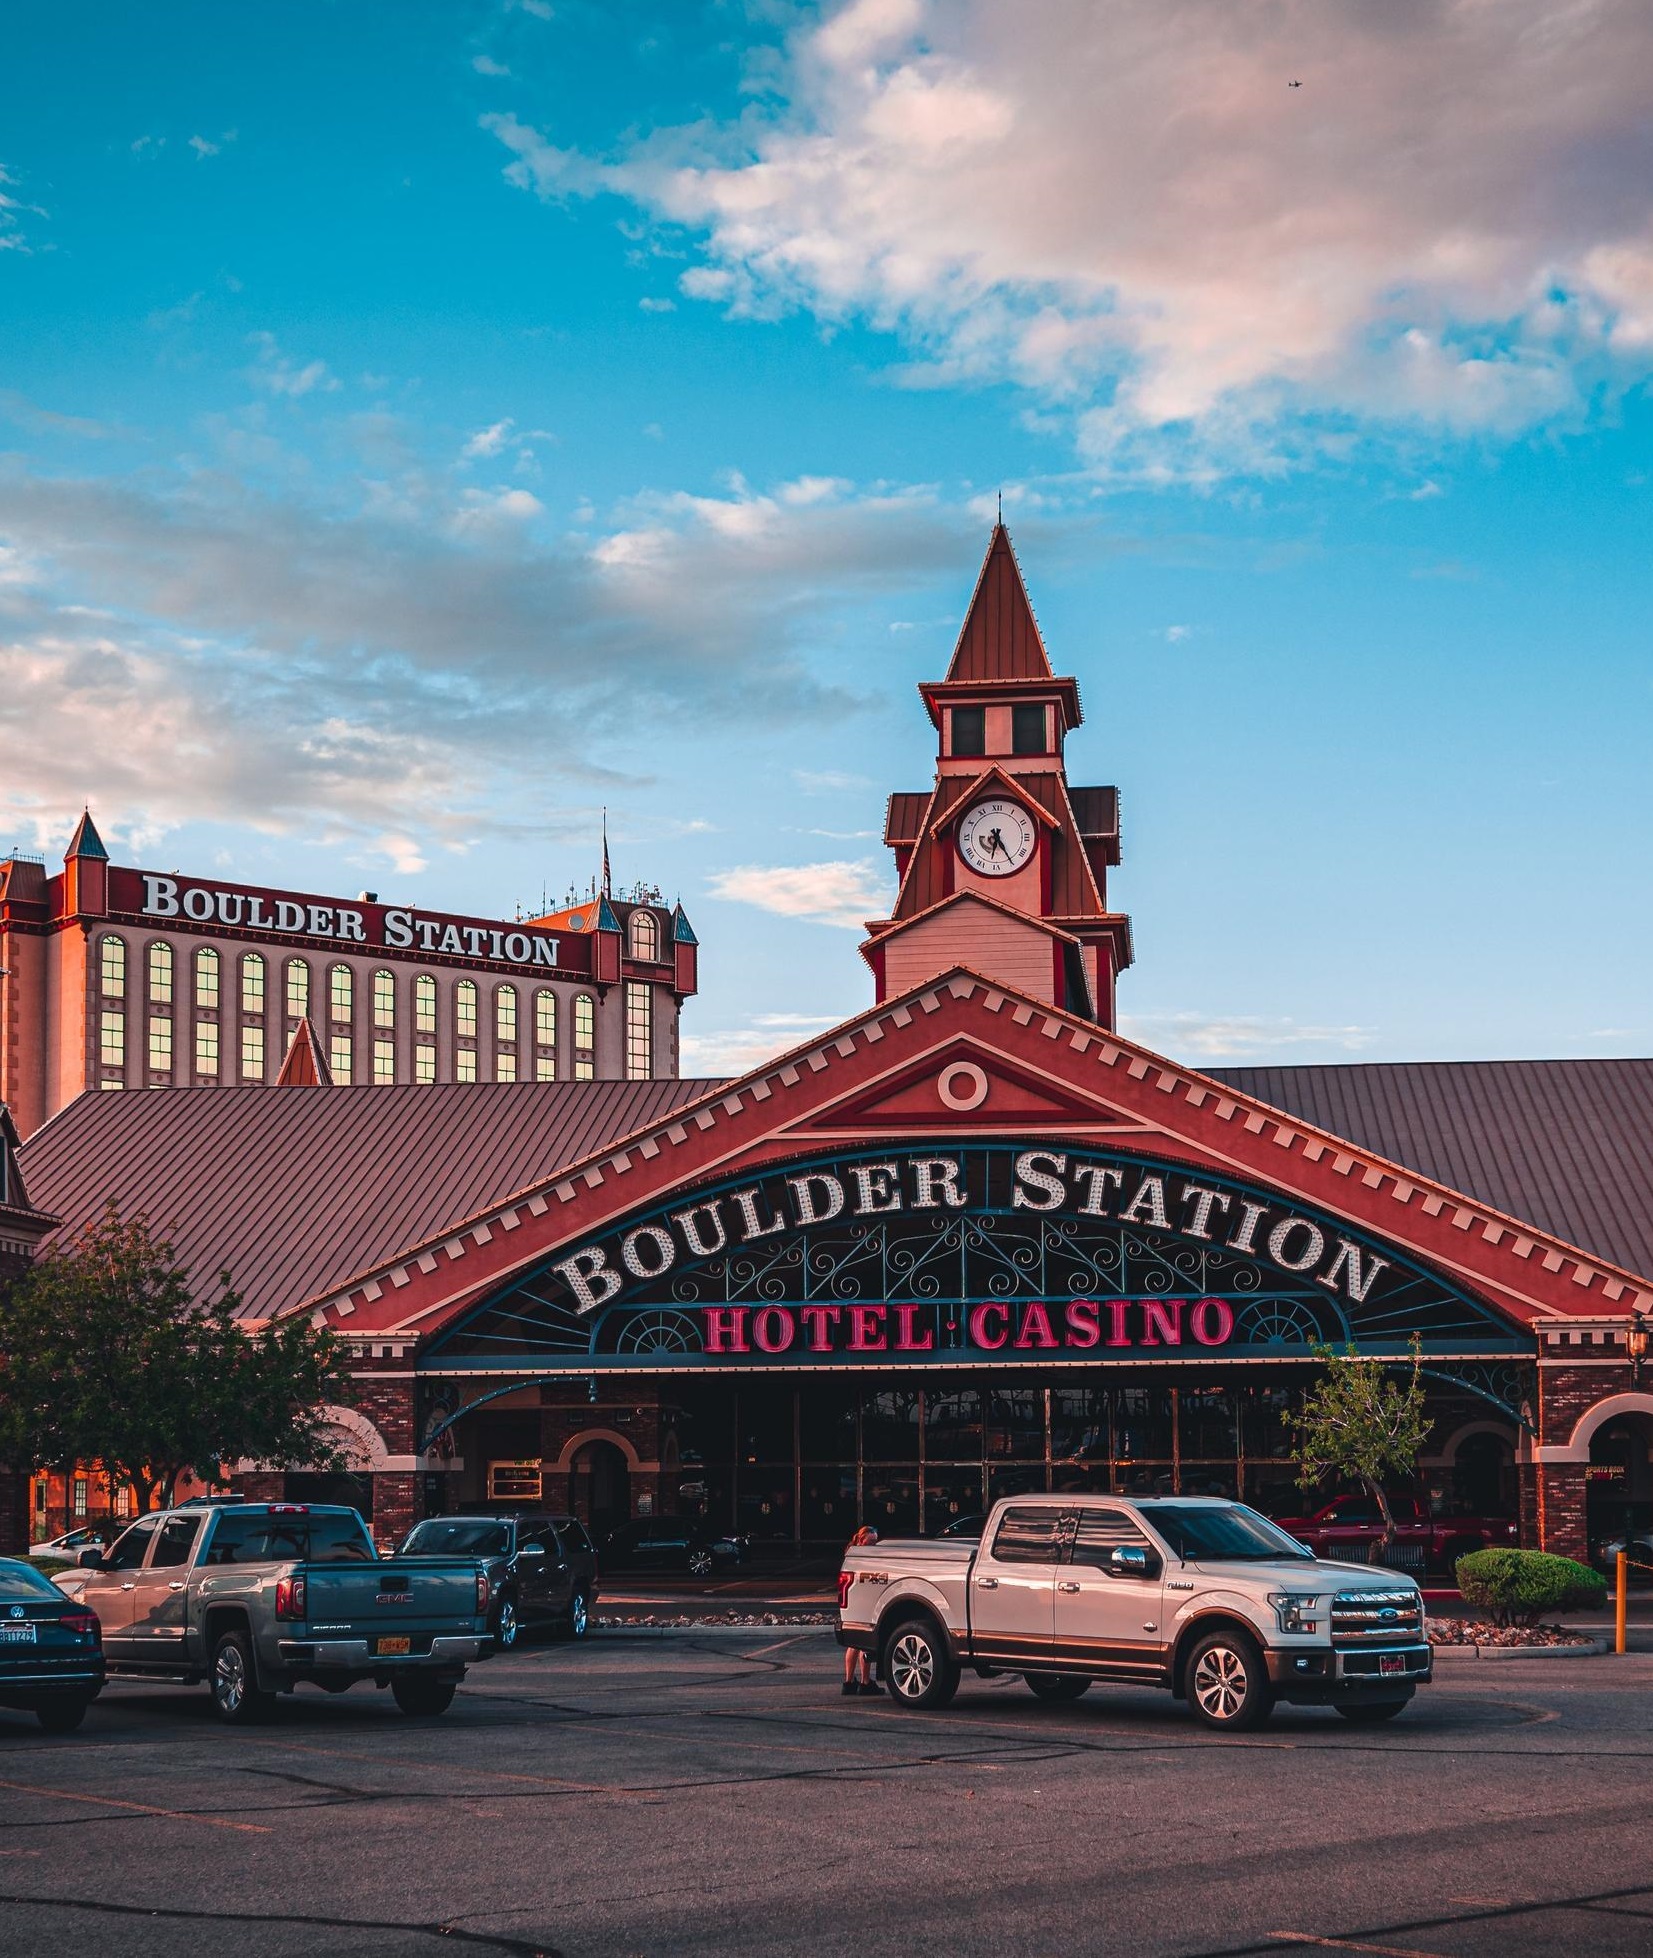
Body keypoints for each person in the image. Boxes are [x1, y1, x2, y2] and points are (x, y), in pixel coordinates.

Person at [843, 1525, 880, 1696]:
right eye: (871, 1541)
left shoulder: (850, 1555)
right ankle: (865, 1682)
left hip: (852, 1599)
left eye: (875, 1541)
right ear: (861, 1539)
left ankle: (849, 1682)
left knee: (853, 1643)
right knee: (865, 1643)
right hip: (865, 1601)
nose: (873, 1545)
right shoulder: (866, 1557)